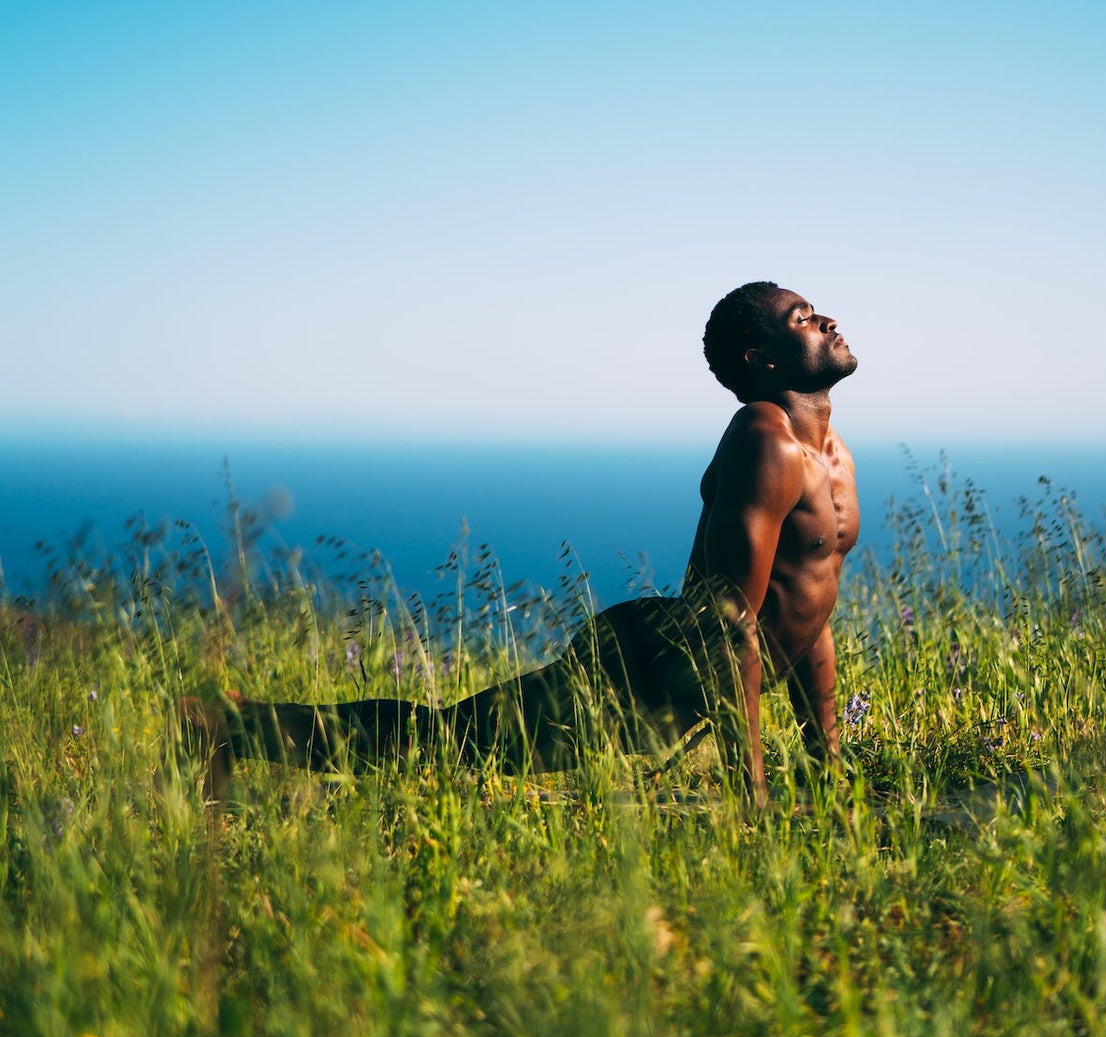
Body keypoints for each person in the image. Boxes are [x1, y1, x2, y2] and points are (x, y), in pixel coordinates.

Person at [182, 282, 859, 808]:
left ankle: (236, 724)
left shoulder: (834, 456)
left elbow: (809, 608)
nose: (825, 319)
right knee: (448, 743)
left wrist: (824, 760)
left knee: (452, 740)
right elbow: (728, 626)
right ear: (761, 359)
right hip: (645, 668)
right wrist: (754, 797)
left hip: (685, 673)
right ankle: (232, 724)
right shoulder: (764, 441)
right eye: (801, 316)